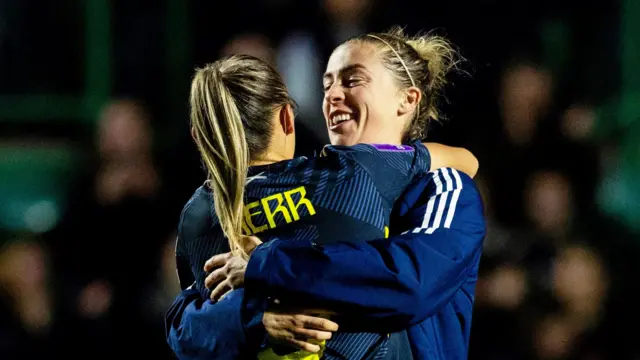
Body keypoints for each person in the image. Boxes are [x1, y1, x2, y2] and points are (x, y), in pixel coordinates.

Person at [167, 27, 485, 360]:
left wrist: (269, 265)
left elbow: (409, 282)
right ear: (286, 118)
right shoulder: (328, 181)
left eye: (352, 80)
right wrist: (256, 317)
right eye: (326, 84)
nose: (332, 95)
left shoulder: (444, 189)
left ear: (407, 98)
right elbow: (182, 324)